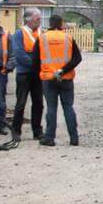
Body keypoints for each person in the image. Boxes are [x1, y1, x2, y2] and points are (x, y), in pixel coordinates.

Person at [38, 14, 82, 147]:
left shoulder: (42, 38)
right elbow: (77, 58)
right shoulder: (68, 38)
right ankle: (74, 138)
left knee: (51, 108)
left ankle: (49, 138)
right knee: (68, 107)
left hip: (49, 79)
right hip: (66, 79)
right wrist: (63, 70)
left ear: (50, 24)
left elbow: (35, 60)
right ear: (61, 24)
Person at [9, 7, 44, 142]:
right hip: (24, 74)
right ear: (29, 19)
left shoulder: (42, 33)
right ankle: (16, 131)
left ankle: (37, 131)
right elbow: (19, 54)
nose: (39, 21)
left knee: (38, 103)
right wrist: (36, 65)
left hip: (37, 74)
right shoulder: (19, 34)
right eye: (37, 18)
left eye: (40, 18)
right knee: (21, 103)